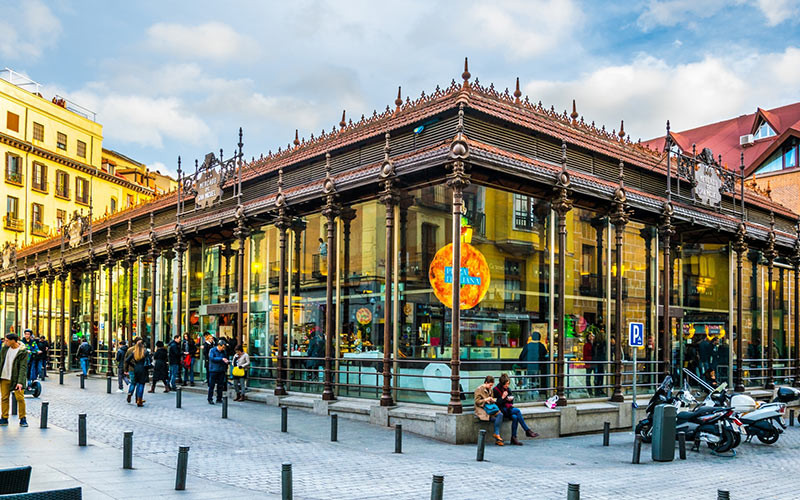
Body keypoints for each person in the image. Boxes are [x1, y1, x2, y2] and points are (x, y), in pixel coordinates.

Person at [493, 373, 538, 445]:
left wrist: (510, 399)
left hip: (508, 409)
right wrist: (503, 397)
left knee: (515, 417)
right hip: (501, 410)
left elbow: (511, 402)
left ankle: (513, 438)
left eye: (508, 384)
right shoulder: (495, 390)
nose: (507, 386)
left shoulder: (508, 389)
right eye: (506, 384)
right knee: (517, 411)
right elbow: (497, 403)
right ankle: (527, 430)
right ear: (502, 383)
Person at [0, 333, 28, 427]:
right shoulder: (5, 348)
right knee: (4, 398)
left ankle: (23, 418)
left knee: (20, 398)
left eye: (7, 340)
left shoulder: (22, 351)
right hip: (4, 377)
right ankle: (4, 418)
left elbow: (23, 368)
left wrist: (20, 382)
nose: (5, 341)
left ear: (13, 341)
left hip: (16, 378)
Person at [474, 375, 504, 446]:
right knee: (495, 419)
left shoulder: (490, 390)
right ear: (486, 382)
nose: (491, 387)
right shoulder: (479, 389)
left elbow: (492, 398)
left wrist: (492, 400)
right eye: (490, 385)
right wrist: (485, 400)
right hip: (482, 410)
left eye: (492, 385)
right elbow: (477, 402)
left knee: (500, 414)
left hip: (490, 408)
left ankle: (496, 435)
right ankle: (497, 438)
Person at [128, 338, 150, 407]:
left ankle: (136, 398)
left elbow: (127, 360)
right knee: (141, 384)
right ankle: (139, 400)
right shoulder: (145, 352)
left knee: (137, 383)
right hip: (143, 369)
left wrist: (133, 365)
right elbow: (149, 360)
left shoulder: (134, 352)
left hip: (136, 368)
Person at [208, 339, 229, 404]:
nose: (223, 348)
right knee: (212, 385)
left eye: (224, 347)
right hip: (213, 370)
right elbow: (212, 358)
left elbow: (225, 358)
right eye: (222, 347)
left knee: (220, 385)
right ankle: (210, 398)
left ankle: (219, 398)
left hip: (221, 370)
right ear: (219, 346)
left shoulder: (224, 351)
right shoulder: (212, 350)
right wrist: (221, 359)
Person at [583, 332, 595, 396]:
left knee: (596, 377)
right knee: (588, 378)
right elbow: (585, 355)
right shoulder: (586, 345)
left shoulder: (595, 344)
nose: (591, 337)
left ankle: (596, 390)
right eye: (590, 336)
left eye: (592, 336)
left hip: (595, 363)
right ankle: (589, 391)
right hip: (589, 363)